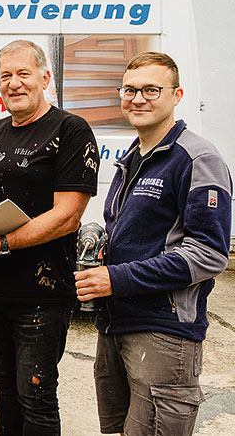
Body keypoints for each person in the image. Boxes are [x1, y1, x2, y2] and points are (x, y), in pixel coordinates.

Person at [75, 52, 231, 436]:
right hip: (116, 323)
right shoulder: (133, 156)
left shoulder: (197, 158)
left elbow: (209, 254)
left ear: (176, 95)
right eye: (130, 90)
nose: (138, 98)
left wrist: (117, 278)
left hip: (163, 332)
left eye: (151, 89)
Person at [0, 40, 99, 436]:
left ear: (44, 78)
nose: (13, 84)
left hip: (42, 294)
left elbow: (68, 216)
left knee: (35, 395)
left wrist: (2, 243)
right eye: (5, 76)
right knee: (4, 389)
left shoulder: (70, 130)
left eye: (23, 74)